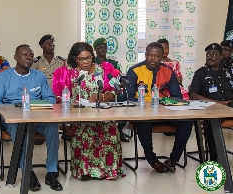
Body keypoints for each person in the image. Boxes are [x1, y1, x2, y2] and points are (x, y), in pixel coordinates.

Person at [0, 44, 63, 192]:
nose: (29, 58)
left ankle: (52, 172)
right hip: (13, 119)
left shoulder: (39, 76)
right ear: (16, 57)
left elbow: (51, 98)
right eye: (25, 55)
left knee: (52, 128)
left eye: (31, 55)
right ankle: (28, 172)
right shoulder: (4, 76)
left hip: (37, 117)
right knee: (19, 129)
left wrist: (40, 105)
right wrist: (10, 109)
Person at [52, 42, 124, 180]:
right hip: (80, 115)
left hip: (102, 113)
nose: (86, 62)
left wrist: (101, 96)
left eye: (89, 58)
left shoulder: (103, 70)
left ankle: (108, 170)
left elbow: (113, 93)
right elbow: (61, 98)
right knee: (85, 131)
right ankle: (85, 170)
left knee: (110, 129)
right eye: (81, 59)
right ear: (74, 59)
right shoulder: (69, 73)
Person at [126, 42, 193, 173]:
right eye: (150, 55)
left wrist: (166, 104)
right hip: (142, 113)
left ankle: (173, 160)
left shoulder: (168, 71)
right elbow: (129, 97)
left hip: (163, 112)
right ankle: (152, 159)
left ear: (162, 57)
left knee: (187, 122)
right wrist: (145, 107)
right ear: (145, 55)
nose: (153, 59)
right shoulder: (134, 71)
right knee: (144, 123)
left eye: (157, 56)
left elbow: (176, 96)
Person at [190, 43, 233, 162]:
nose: (210, 56)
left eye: (214, 54)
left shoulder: (229, 72)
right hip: (212, 108)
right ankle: (215, 158)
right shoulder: (200, 73)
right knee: (211, 123)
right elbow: (193, 95)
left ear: (221, 56)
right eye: (208, 54)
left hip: (231, 106)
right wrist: (218, 103)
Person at [93, 37, 129, 142]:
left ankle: (120, 130)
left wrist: (119, 85)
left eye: (104, 47)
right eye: (100, 47)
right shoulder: (92, 63)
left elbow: (118, 77)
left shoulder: (113, 63)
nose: (103, 50)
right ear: (95, 49)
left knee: (122, 99)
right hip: (97, 90)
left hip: (112, 90)